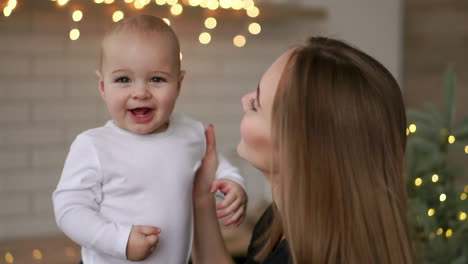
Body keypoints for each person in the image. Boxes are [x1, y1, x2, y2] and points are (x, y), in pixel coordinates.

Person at [191, 37, 415, 264]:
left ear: (296, 147)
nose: (244, 100)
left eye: (255, 104)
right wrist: (201, 197)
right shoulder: (277, 223)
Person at [52, 14, 247, 264]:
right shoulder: (93, 145)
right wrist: (120, 240)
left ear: (178, 84)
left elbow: (217, 167)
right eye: (124, 79)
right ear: (103, 87)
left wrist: (233, 183)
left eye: (157, 79)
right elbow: (69, 210)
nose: (141, 92)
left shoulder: (190, 133)